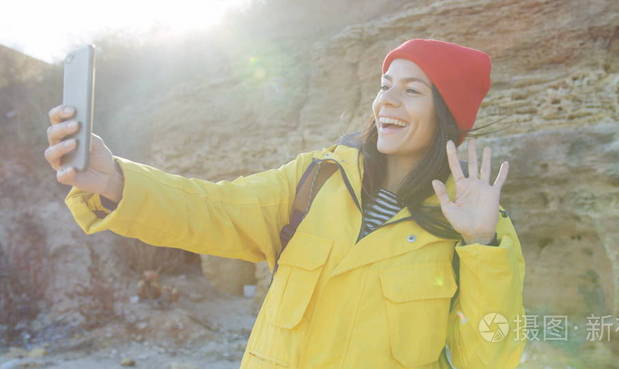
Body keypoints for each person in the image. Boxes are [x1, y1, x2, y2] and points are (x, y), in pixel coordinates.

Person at [45, 39, 525, 369]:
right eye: (385, 86)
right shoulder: (315, 180)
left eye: (412, 90)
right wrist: (114, 181)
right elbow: (214, 209)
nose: (387, 102)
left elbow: (487, 358)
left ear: (446, 115)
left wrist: (481, 245)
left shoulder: (478, 227)